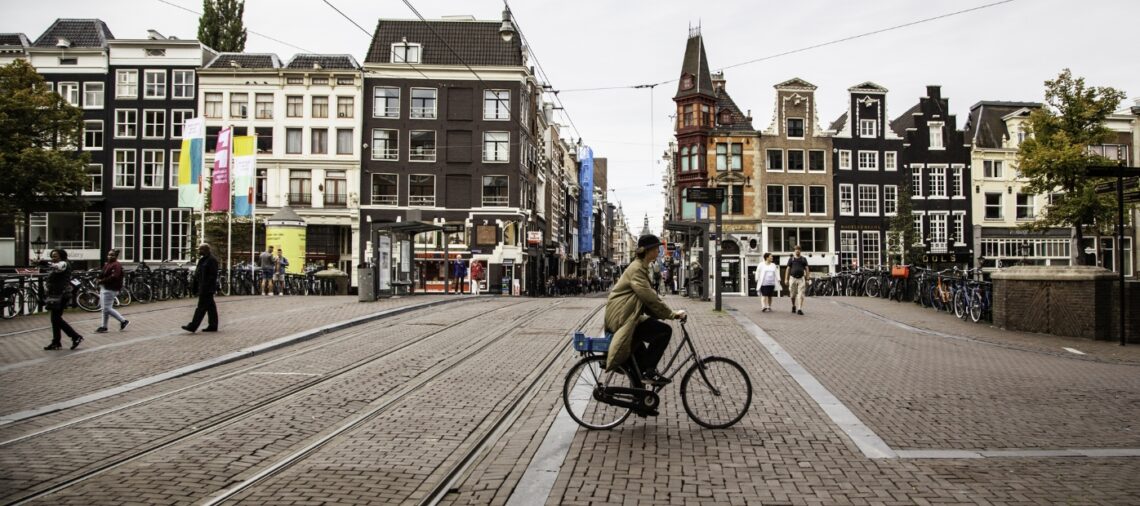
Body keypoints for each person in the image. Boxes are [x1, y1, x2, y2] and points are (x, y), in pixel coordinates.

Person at [603, 234, 687, 387]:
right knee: (664, 331)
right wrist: (671, 314)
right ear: (648, 251)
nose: (658, 251)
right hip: (622, 317)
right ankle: (650, 372)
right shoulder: (637, 269)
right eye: (657, 248)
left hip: (627, 314)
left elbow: (647, 302)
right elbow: (649, 297)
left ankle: (640, 401)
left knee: (639, 360)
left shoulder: (641, 267)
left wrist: (661, 314)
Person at [43, 249, 84, 350]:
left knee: (56, 318)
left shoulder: (64, 264)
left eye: (55, 256)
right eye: (52, 256)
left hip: (61, 295)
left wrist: (44, 262)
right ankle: (56, 342)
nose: (53, 258)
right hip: (56, 295)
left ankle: (75, 336)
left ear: (61, 256)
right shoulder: (59, 264)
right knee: (54, 319)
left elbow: (58, 266)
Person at [182, 243, 219, 333]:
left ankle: (193, 326)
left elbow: (212, 275)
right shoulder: (202, 260)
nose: (199, 251)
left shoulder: (211, 260)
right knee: (211, 308)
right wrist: (195, 286)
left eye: (201, 249)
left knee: (201, 308)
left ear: (206, 250)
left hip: (207, 288)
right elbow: (198, 274)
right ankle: (213, 325)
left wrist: (206, 287)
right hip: (203, 287)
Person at [95, 249, 128, 333]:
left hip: (110, 288)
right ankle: (104, 326)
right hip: (105, 287)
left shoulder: (116, 265)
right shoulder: (107, 264)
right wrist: (99, 278)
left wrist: (101, 281)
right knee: (104, 309)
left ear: (116, 256)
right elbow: (102, 273)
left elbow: (114, 276)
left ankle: (123, 320)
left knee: (106, 308)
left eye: (112, 255)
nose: (110, 256)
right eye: (109, 255)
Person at [784, 244, 810, 315]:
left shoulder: (803, 259)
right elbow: (788, 269)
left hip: (801, 279)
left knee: (801, 294)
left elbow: (807, 269)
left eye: (798, 249)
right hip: (792, 278)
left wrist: (807, 279)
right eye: (796, 249)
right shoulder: (791, 259)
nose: (797, 251)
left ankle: (799, 309)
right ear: (794, 251)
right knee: (792, 295)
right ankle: (793, 305)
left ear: (800, 251)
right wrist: (786, 279)